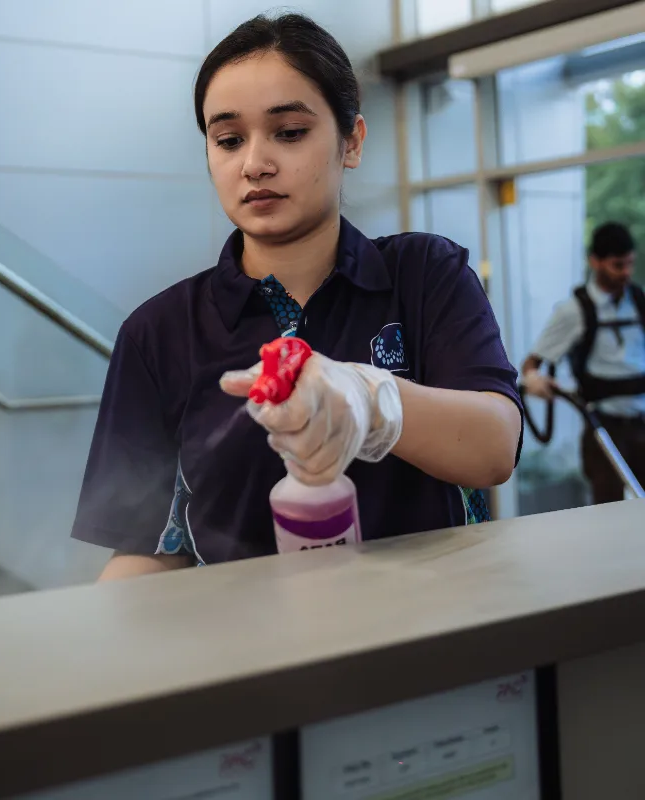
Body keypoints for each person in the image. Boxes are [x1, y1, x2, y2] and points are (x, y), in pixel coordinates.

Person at [71, 13, 522, 580]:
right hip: (247, 648)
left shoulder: (424, 274)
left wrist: (373, 402)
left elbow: (493, 449)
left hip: (434, 632)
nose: (255, 163)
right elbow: (143, 543)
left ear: (351, 141)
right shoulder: (160, 331)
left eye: (289, 132)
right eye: (229, 139)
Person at [522, 222, 644, 505]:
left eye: (630, 264)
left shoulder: (638, 300)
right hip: (604, 429)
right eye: (617, 265)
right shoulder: (574, 310)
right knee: (609, 513)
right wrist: (534, 380)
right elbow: (531, 364)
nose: (626, 273)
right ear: (595, 262)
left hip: (642, 422)